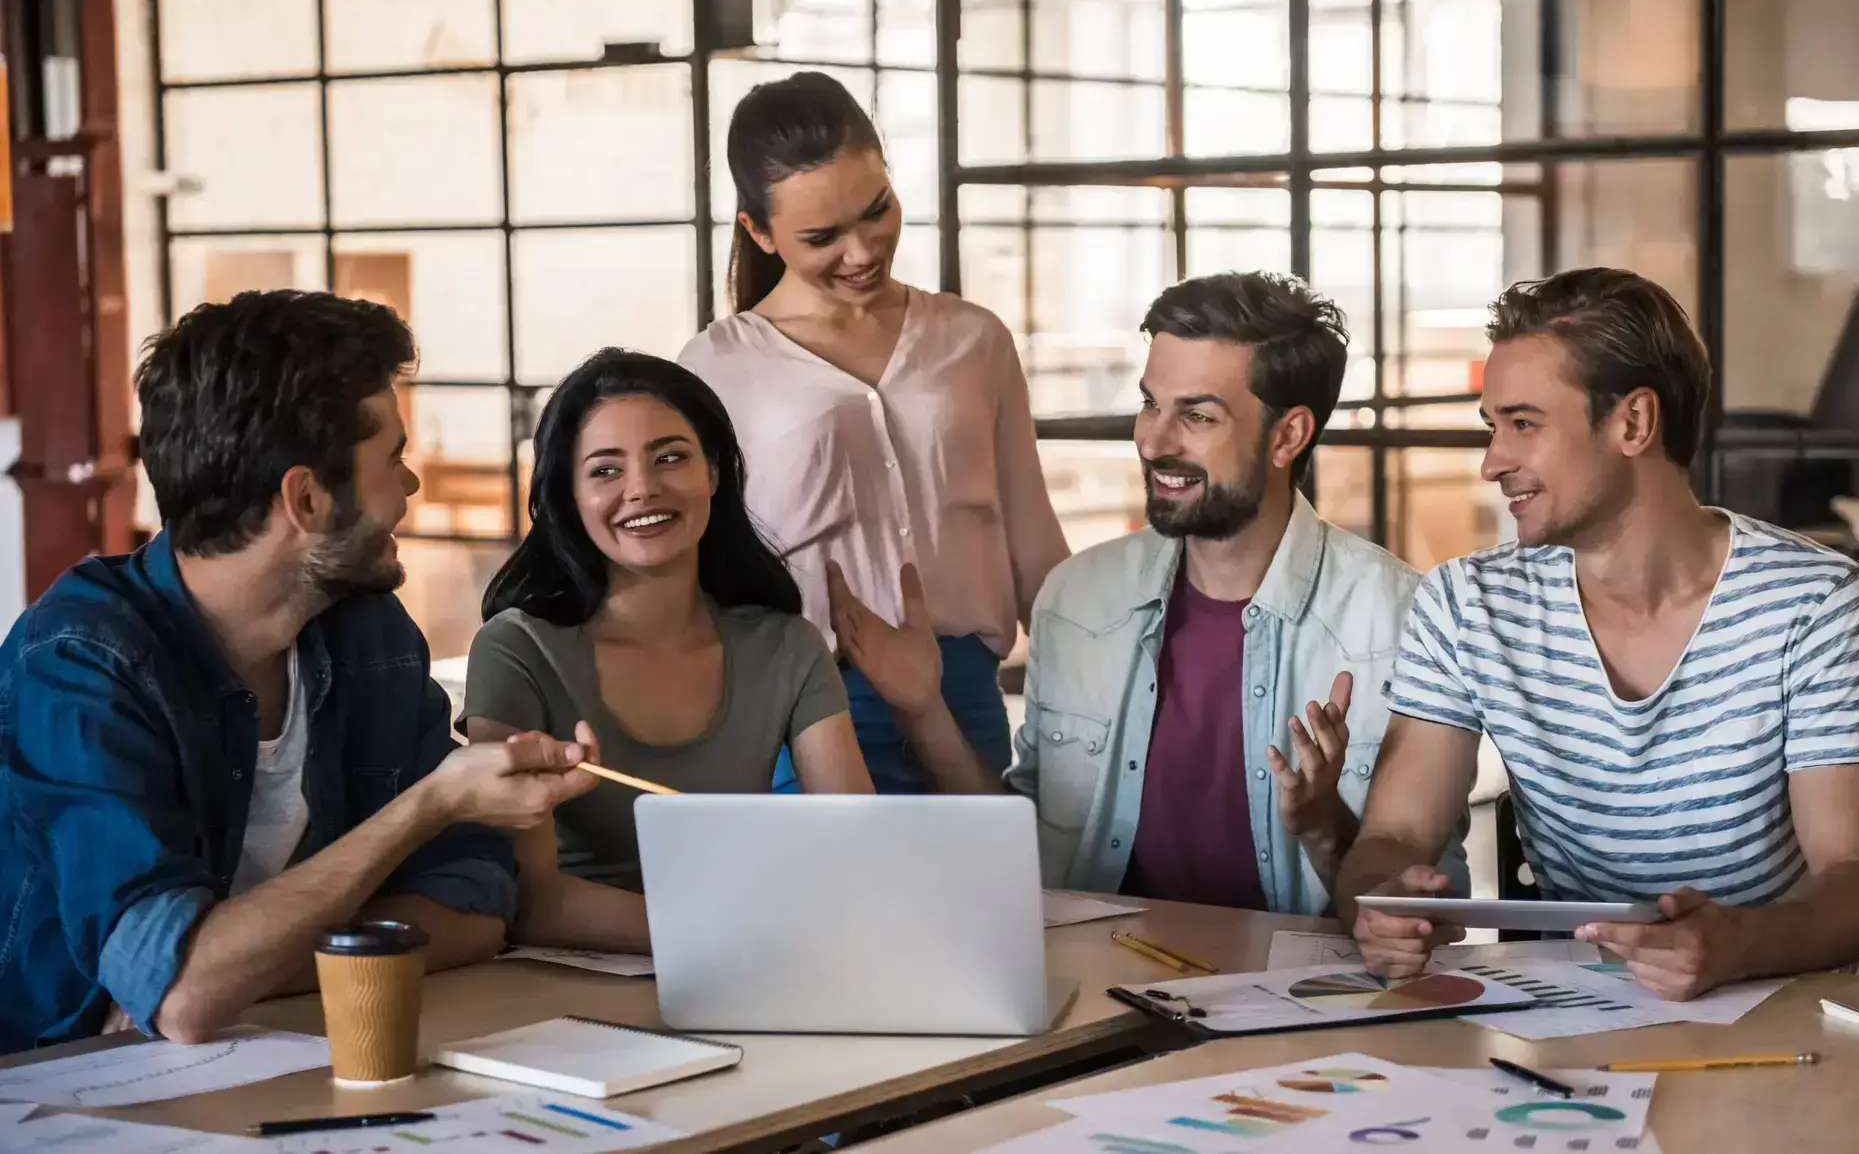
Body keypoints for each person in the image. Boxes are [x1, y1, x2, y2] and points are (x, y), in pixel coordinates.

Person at [0, 291, 598, 1054]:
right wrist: (427, 805)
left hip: (275, 1051)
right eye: (393, 459)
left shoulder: (366, 635)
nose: (410, 487)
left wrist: (247, 970)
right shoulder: (82, 663)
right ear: (308, 499)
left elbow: (478, 901)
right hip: (55, 1084)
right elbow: (185, 995)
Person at [1338, 267, 1859, 999]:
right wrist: (1382, 902)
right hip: (1588, 1014)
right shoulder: (1465, 602)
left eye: (1523, 423)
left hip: (1810, 1016)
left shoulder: (1816, 603)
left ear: (1634, 424)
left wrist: (1736, 943)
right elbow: (1392, 837)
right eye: (1493, 426)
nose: (1492, 461)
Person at [839, 271, 1462, 912]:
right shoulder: (1077, 600)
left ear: (1287, 436)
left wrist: (1326, 828)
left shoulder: (1400, 621)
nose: (1153, 441)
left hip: (1301, 996)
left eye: (1196, 415)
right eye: (1149, 403)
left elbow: (1427, 906)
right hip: (1102, 983)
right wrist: (922, 710)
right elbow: (1025, 853)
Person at [678, 71, 1070, 794]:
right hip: (808, 700)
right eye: (822, 237)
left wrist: (1092, 689)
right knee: (833, 906)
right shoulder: (717, 366)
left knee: (983, 895)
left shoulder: (972, 338)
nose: (861, 252)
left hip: (964, 688)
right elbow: (702, 568)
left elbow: (1034, 539)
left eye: (877, 210)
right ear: (758, 231)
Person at [462, 351, 875, 954]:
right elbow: (532, 900)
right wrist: (743, 931)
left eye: (670, 458)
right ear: (568, 495)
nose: (642, 488)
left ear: (713, 473)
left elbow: (858, 846)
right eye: (605, 470)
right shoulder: (518, 649)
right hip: (570, 984)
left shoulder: (785, 643)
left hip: (754, 965)